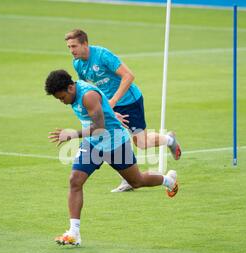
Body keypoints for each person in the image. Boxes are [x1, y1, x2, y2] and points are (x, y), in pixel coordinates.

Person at [45, 70, 179, 246]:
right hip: (92, 143)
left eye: (61, 97)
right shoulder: (74, 92)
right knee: (75, 181)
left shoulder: (88, 96)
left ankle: (168, 180)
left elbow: (100, 127)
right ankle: (74, 233)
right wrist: (109, 112)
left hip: (115, 142)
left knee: (136, 181)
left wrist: (72, 134)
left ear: (70, 88)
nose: (62, 102)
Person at [64, 29, 182, 193]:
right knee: (114, 136)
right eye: (69, 47)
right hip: (107, 104)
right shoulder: (77, 64)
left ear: (85, 43)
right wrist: (107, 109)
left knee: (140, 142)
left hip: (128, 100)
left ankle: (168, 139)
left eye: (74, 46)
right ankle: (128, 180)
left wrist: (112, 102)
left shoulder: (103, 55)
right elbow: (87, 89)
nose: (71, 50)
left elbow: (129, 76)